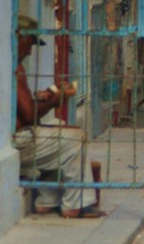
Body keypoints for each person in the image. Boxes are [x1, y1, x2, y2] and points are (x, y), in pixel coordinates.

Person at [14, 15, 106, 218]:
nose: (29, 52)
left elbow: (24, 108)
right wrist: (55, 101)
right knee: (73, 138)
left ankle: (47, 199)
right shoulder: (13, 68)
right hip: (16, 142)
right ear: (17, 37)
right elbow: (29, 115)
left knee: (58, 125)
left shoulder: (13, 66)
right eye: (28, 44)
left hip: (19, 138)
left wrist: (44, 97)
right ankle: (76, 204)